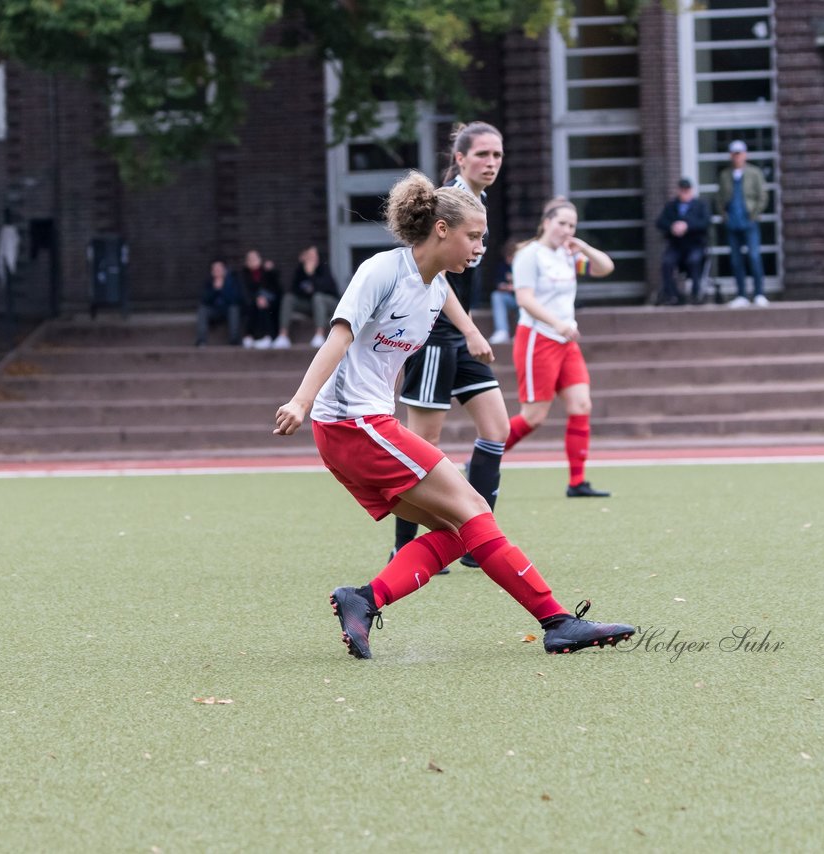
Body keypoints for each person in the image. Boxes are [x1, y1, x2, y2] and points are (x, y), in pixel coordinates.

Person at [272, 171, 635, 659]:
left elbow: (386, 362)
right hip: (352, 427)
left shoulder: (435, 290)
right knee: (476, 512)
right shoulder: (382, 270)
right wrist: (301, 400)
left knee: (458, 531)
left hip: (364, 428)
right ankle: (557, 621)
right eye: (475, 236)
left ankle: (363, 600)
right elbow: (339, 336)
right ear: (441, 229)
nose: (481, 246)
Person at [394, 122, 508, 571]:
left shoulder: (477, 203)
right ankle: (405, 547)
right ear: (460, 159)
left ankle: (477, 542)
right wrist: (473, 330)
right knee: (423, 444)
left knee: (496, 428)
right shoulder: (449, 202)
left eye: (497, 155)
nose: (492, 163)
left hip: (459, 338)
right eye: (483, 154)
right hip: (436, 335)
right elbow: (436, 275)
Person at [504, 197, 615, 498]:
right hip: (538, 338)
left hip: (566, 342)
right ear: (546, 222)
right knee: (534, 417)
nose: (566, 230)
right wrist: (559, 324)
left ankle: (577, 482)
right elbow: (524, 299)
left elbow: (606, 267)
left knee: (581, 405)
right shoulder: (530, 255)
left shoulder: (568, 254)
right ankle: (485, 455)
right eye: (562, 223)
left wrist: (584, 247)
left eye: (572, 225)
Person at [715, 140, 769, 308]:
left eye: (740, 153)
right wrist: (724, 215)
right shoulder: (725, 175)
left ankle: (759, 293)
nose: (737, 156)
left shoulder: (754, 173)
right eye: (734, 153)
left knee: (754, 257)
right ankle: (741, 295)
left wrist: (754, 214)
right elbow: (720, 198)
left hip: (749, 221)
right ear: (731, 155)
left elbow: (763, 196)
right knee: (736, 260)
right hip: (733, 223)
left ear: (745, 154)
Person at [654, 177, 711, 306]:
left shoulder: (700, 205)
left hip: (695, 244)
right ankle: (672, 295)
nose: (684, 193)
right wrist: (672, 227)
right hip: (676, 245)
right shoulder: (671, 206)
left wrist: (687, 226)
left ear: (691, 191)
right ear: (678, 191)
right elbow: (660, 222)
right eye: (682, 190)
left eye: (687, 190)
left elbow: (705, 222)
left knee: (694, 261)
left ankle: (696, 294)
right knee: (666, 262)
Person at [275, 245, 340, 348]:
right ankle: (283, 336)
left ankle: (319, 334)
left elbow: (325, 288)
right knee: (288, 298)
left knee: (317, 297)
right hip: (309, 304)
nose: (311, 258)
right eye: (309, 255)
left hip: (328, 303)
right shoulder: (301, 269)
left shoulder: (324, 267)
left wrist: (311, 275)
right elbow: (293, 289)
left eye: (313, 255)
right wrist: (304, 272)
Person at [238, 249, 281, 349]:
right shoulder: (243, 275)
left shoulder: (267, 272)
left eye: (255, 258)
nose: (253, 261)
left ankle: (267, 337)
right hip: (250, 304)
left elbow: (276, 290)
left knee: (263, 307)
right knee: (253, 307)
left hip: (267, 304)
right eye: (250, 259)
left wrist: (271, 271)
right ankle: (249, 336)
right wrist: (256, 299)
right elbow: (244, 293)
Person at [194, 259, 242, 346]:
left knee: (234, 309)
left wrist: (222, 288)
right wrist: (215, 289)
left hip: (228, 310)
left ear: (224, 270)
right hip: (214, 311)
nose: (217, 271)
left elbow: (234, 299)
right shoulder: (208, 282)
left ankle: (234, 340)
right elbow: (204, 300)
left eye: (219, 269)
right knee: (202, 310)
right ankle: (201, 341)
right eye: (215, 269)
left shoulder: (231, 281)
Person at [488, 238, 520, 344]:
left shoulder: (523, 264)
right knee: (496, 296)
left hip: (523, 298)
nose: (509, 259)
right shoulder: (503, 266)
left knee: (524, 298)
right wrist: (507, 287)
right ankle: (502, 331)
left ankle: (520, 334)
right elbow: (498, 284)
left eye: (511, 256)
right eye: (507, 256)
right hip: (510, 298)